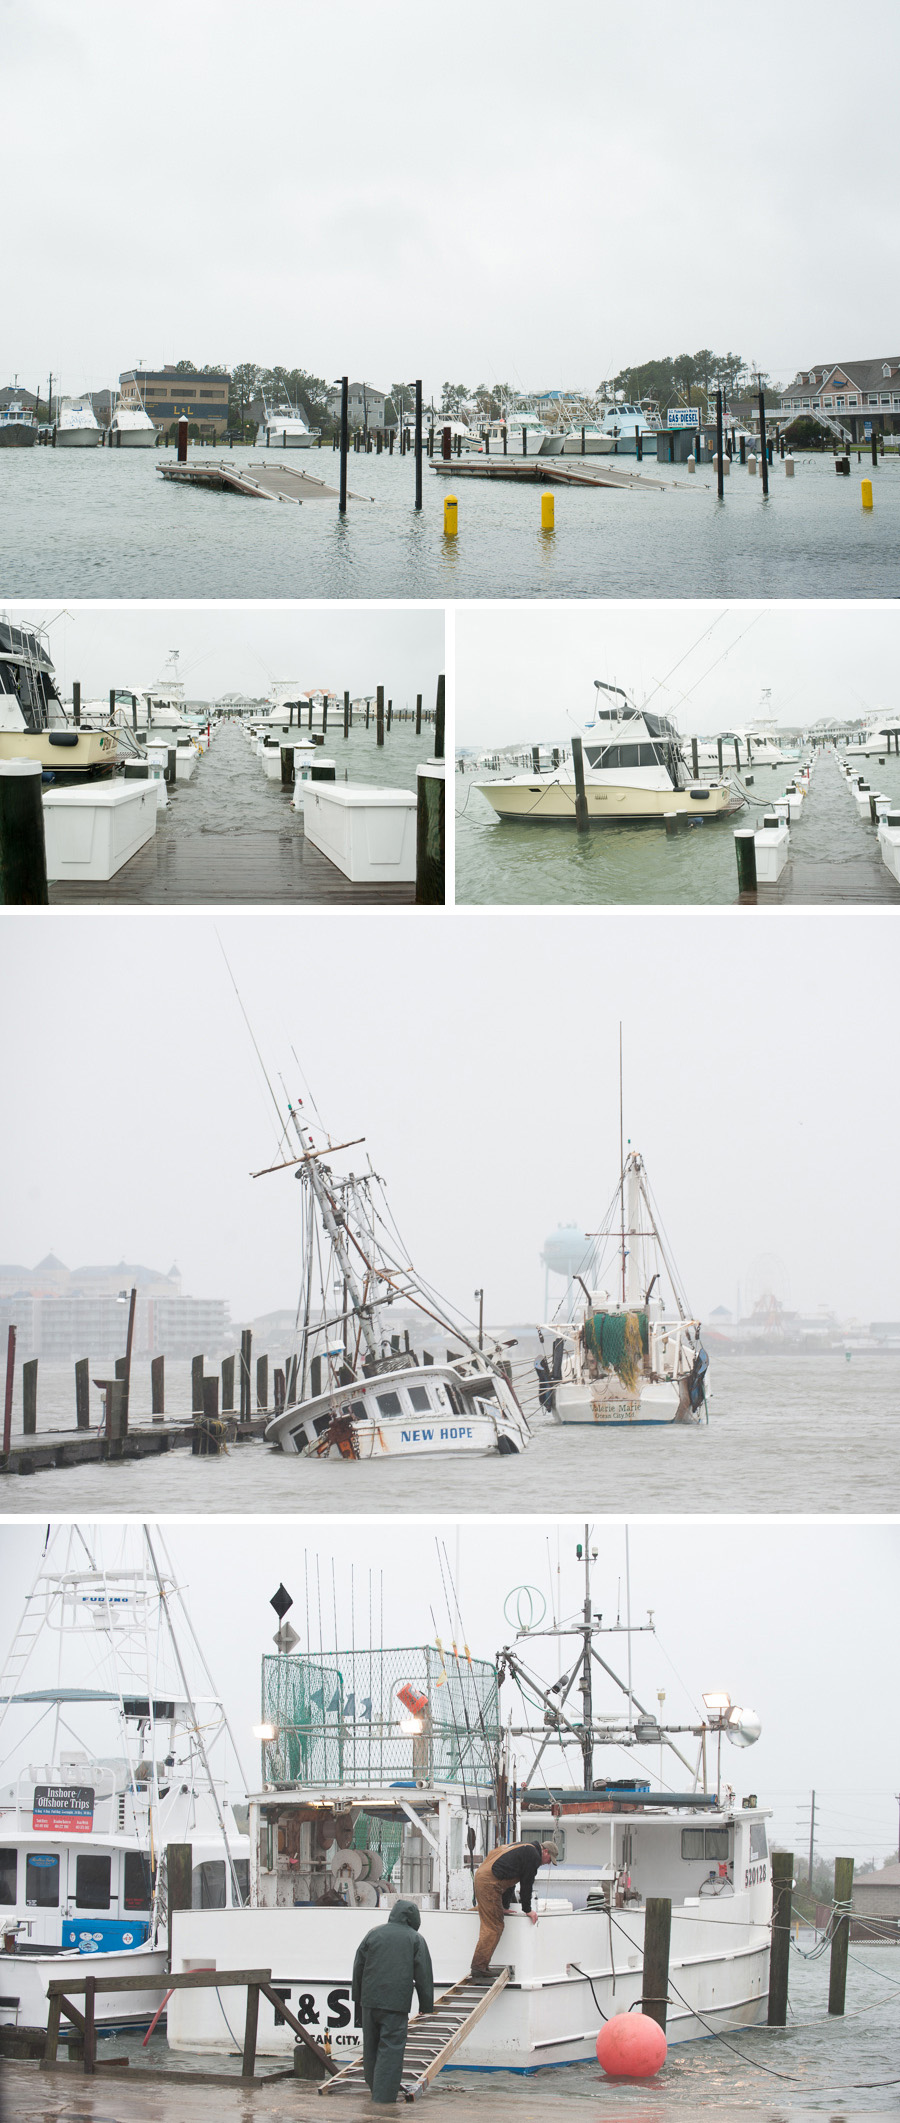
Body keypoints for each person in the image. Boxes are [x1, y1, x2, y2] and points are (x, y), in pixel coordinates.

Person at [351, 1898, 434, 2106]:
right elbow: (423, 1975)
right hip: (395, 2004)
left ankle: (374, 2091)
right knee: (391, 2050)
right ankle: (383, 2100)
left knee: (370, 2048)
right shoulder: (415, 1939)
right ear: (413, 1918)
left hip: (369, 2002)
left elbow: (358, 1966)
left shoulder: (373, 1933)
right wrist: (426, 2006)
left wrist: (358, 1998)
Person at [470, 1838, 559, 1974]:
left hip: (485, 1877)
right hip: (489, 1883)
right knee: (494, 1926)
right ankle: (478, 1967)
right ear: (545, 1851)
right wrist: (528, 1910)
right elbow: (526, 1884)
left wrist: (504, 1906)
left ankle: (481, 1965)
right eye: (549, 1859)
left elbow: (511, 1880)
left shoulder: (524, 1847)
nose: (547, 1863)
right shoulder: (533, 1856)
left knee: (492, 1918)